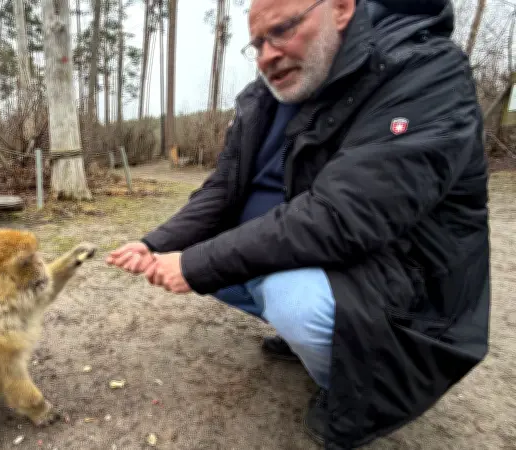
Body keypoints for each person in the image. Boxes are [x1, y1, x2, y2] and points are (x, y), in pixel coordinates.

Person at [106, 0, 491, 448]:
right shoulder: (270, 94)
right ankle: (316, 344)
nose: (267, 54)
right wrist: (154, 243)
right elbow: (222, 189)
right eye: (257, 43)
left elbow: (342, 216)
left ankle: (356, 394)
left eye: (283, 30)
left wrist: (194, 264)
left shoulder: (422, 72)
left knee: (290, 299)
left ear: (342, 8)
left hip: (409, 283)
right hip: (329, 260)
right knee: (223, 269)